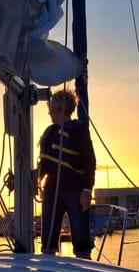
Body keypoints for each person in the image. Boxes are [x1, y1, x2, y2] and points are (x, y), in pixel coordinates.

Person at [38, 89, 96, 258]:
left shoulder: (79, 130)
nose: (50, 115)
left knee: (81, 238)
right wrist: (36, 177)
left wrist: (87, 190)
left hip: (75, 191)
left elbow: (89, 162)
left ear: (60, 110)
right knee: (48, 238)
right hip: (51, 191)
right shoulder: (50, 134)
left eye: (52, 111)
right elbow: (46, 164)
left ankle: (83, 271)